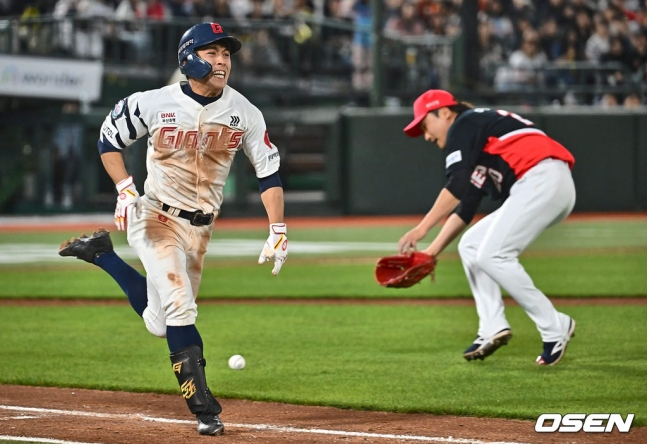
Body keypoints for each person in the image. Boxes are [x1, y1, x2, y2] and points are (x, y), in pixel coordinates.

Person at [58, 22, 288, 436]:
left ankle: (100, 254)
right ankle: (204, 408)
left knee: (159, 323)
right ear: (187, 58)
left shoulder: (244, 112)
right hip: (155, 217)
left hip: (201, 230)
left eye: (226, 55)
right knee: (181, 308)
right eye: (211, 53)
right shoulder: (153, 102)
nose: (221, 62)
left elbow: (268, 172)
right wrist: (126, 189)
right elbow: (109, 138)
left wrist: (278, 228)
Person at [398, 89, 576, 366]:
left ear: (444, 112)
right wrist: (432, 250)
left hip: (541, 178)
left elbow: (455, 186)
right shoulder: (478, 136)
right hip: (545, 182)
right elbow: (466, 206)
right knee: (472, 245)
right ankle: (492, 326)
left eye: (425, 125)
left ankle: (555, 326)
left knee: (492, 255)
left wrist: (421, 229)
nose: (427, 136)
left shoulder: (464, 123)